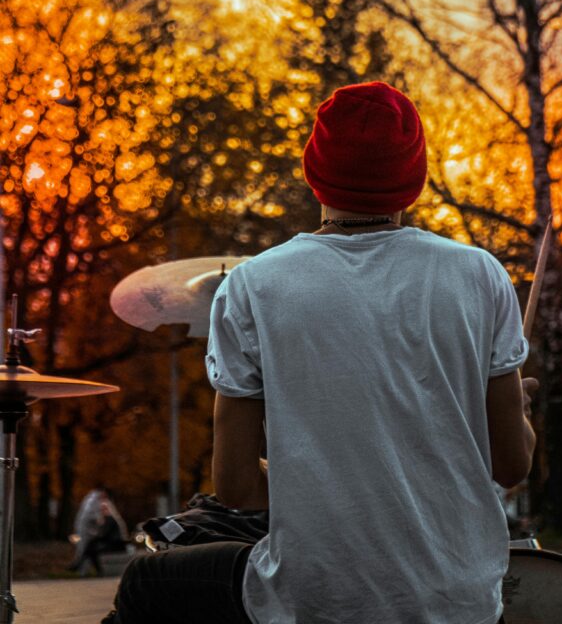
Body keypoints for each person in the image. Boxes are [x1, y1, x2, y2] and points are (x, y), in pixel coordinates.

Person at [102, 81, 536, 624]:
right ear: (414, 178)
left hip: (318, 597)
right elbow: (511, 465)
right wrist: (516, 409)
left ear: (314, 172)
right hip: (459, 598)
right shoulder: (479, 274)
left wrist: (321, 483)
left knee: (146, 582)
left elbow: (235, 485)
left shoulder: (252, 285)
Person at [69, 487, 129, 576]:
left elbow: (104, 534)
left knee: (91, 548)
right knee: (91, 548)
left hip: (115, 544)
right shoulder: (109, 519)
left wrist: (96, 535)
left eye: (104, 509)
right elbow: (103, 534)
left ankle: (79, 564)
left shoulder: (109, 519)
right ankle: (89, 568)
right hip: (113, 543)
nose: (102, 510)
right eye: (102, 509)